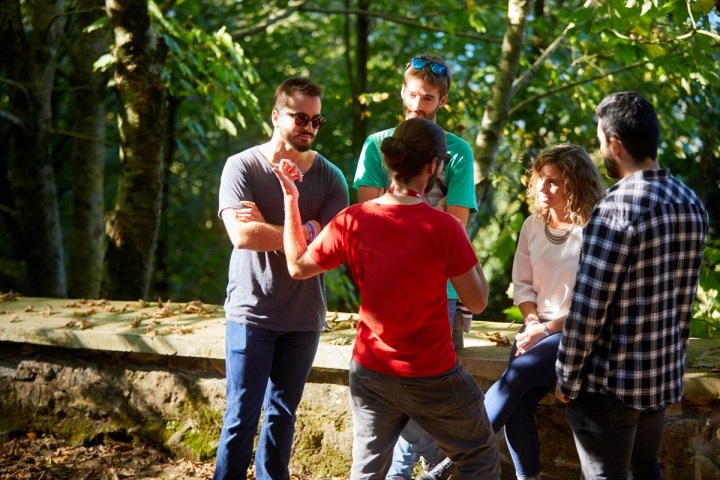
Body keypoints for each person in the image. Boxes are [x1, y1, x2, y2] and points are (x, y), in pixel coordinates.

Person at [274, 117, 500, 480]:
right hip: (432, 373)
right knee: (479, 457)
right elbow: (477, 302)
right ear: (434, 166)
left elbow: (298, 266)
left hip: (370, 370)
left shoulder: (354, 219)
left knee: (367, 471)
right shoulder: (443, 229)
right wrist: (464, 248)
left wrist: (290, 199)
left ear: (391, 161)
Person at [421, 144, 606, 480]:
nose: (542, 188)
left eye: (553, 182)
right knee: (517, 401)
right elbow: (522, 285)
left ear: (575, 184)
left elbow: (593, 300)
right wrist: (533, 322)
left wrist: (546, 331)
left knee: (517, 376)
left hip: (580, 332)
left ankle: (449, 463)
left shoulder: (595, 231)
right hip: (540, 328)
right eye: (539, 179)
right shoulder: (533, 226)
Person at [555, 92, 709, 479]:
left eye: (600, 140)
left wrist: (567, 376)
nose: (600, 149)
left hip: (611, 387)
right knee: (645, 470)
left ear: (616, 144)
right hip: (660, 377)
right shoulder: (691, 203)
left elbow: (589, 307)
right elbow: (682, 300)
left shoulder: (616, 208)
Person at [213, 76, 349, 480]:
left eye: (317, 120)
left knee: (282, 417)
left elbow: (333, 250)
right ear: (276, 116)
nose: (309, 126)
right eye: (300, 117)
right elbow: (241, 236)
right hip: (251, 313)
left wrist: (283, 231)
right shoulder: (241, 166)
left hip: (304, 318)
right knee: (240, 416)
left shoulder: (331, 177)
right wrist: (306, 230)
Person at [352, 52, 477, 480]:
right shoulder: (377, 144)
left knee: (428, 398)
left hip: (441, 293)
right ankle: (443, 459)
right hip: (385, 292)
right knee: (397, 397)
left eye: (428, 97)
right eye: (413, 94)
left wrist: (405, 216)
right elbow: (367, 215)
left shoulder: (457, 153)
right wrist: (423, 216)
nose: (418, 104)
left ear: (442, 101)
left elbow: (457, 226)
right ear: (402, 92)